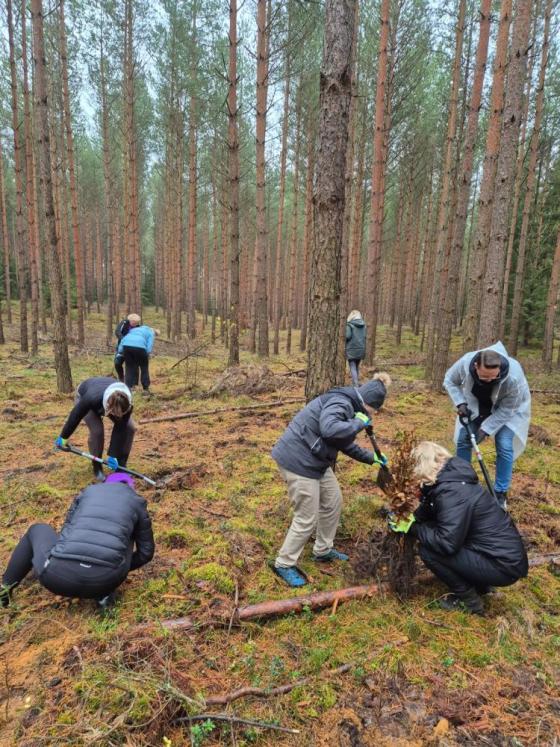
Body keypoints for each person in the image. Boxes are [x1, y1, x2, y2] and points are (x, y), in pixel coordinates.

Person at [271, 373, 392, 587]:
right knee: (306, 517)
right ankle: (284, 563)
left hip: (315, 458)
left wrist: (371, 458)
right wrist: (358, 422)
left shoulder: (351, 406)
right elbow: (330, 430)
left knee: (333, 501)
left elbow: (341, 441)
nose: (371, 416)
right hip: (298, 459)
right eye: (373, 411)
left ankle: (322, 550)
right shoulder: (342, 403)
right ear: (369, 404)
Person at [389, 442, 528, 616]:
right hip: (499, 557)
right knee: (432, 531)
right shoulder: (450, 481)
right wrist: (412, 517)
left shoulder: (451, 493)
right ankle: (481, 585)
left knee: (429, 551)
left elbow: (446, 543)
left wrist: (413, 528)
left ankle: (469, 602)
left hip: (502, 566)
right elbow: (433, 509)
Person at [0, 473, 154, 611]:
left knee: (37, 529)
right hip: (105, 581)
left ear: (105, 483)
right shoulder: (136, 502)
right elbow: (146, 553)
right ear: (131, 488)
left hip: (56, 577)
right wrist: (118, 567)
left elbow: (66, 531)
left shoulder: (88, 492)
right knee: (126, 535)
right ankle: (104, 596)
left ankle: (4, 590)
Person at [443, 341, 531, 509]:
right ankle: (462, 484)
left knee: (504, 444)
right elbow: (449, 380)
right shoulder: (465, 362)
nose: (490, 380)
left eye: (494, 377)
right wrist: (460, 403)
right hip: (477, 405)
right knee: (464, 439)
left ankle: (500, 492)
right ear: (476, 366)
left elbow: (508, 409)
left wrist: (486, 429)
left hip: (508, 410)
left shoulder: (514, 377)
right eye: (485, 377)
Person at [55, 377, 135, 481]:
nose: (116, 417)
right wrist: (63, 437)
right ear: (108, 408)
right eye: (113, 414)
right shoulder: (91, 397)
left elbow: (120, 427)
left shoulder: (127, 402)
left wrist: (113, 455)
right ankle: (97, 467)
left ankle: (121, 465)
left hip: (108, 399)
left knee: (129, 427)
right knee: (97, 431)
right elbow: (76, 415)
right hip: (85, 397)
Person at [117, 314, 155, 393]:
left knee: (129, 367)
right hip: (140, 348)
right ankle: (145, 389)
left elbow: (124, 339)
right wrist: (147, 353)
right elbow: (150, 344)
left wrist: (120, 351)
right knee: (144, 367)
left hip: (126, 347)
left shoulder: (133, 330)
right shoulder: (150, 332)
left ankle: (128, 388)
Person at [345, 310, 367, 386]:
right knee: (356, 366)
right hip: (361, 348)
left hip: (351, 349)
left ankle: (355, 384)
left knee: (352, 366)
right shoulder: (364, 325)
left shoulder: (349, 325)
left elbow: (347, 336)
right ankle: (356, 382)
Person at [114, 317, 132, 382]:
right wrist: (123, 338)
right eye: (132, 321)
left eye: (136, 322)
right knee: (117, 363)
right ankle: (121, 378)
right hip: (121, 347)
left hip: (132, 348)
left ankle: (129, 382)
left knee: (129, 365)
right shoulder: (124, 323)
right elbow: (117, 331)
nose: (134, 323)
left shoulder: (138, 327)